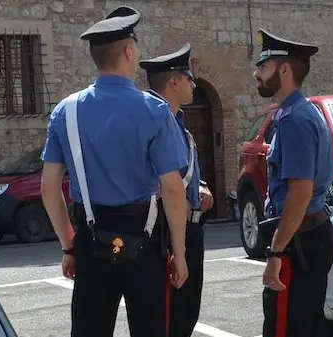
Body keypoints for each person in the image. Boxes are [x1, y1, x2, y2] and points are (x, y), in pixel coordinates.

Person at [39, 6, 190, 337]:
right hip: (145, 241)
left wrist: (68, 246)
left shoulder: (67, 111)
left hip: (90, 240)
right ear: (129, 50)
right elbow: (173, 189)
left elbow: (49, 188)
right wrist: (179, 253)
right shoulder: (154, 110)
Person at [252, 28, 333, 337]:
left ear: (284, 69)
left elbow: (299, 194)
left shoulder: (295, 121)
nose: (256, 73)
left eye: (263, 66)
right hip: (307, 236)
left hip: (299, 242)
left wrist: (275, 253)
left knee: (285, 329)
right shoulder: (299, 113)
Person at [139, 43, 215, 337]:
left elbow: (182, 172)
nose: (193, 83)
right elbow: (158, 182)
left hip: (190, 229)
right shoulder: (158, 124)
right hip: (171, 231)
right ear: (173, 82)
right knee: (172, 318)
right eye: (188, 77)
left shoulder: (178, 123)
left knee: (185, 314)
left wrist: (202, 187)